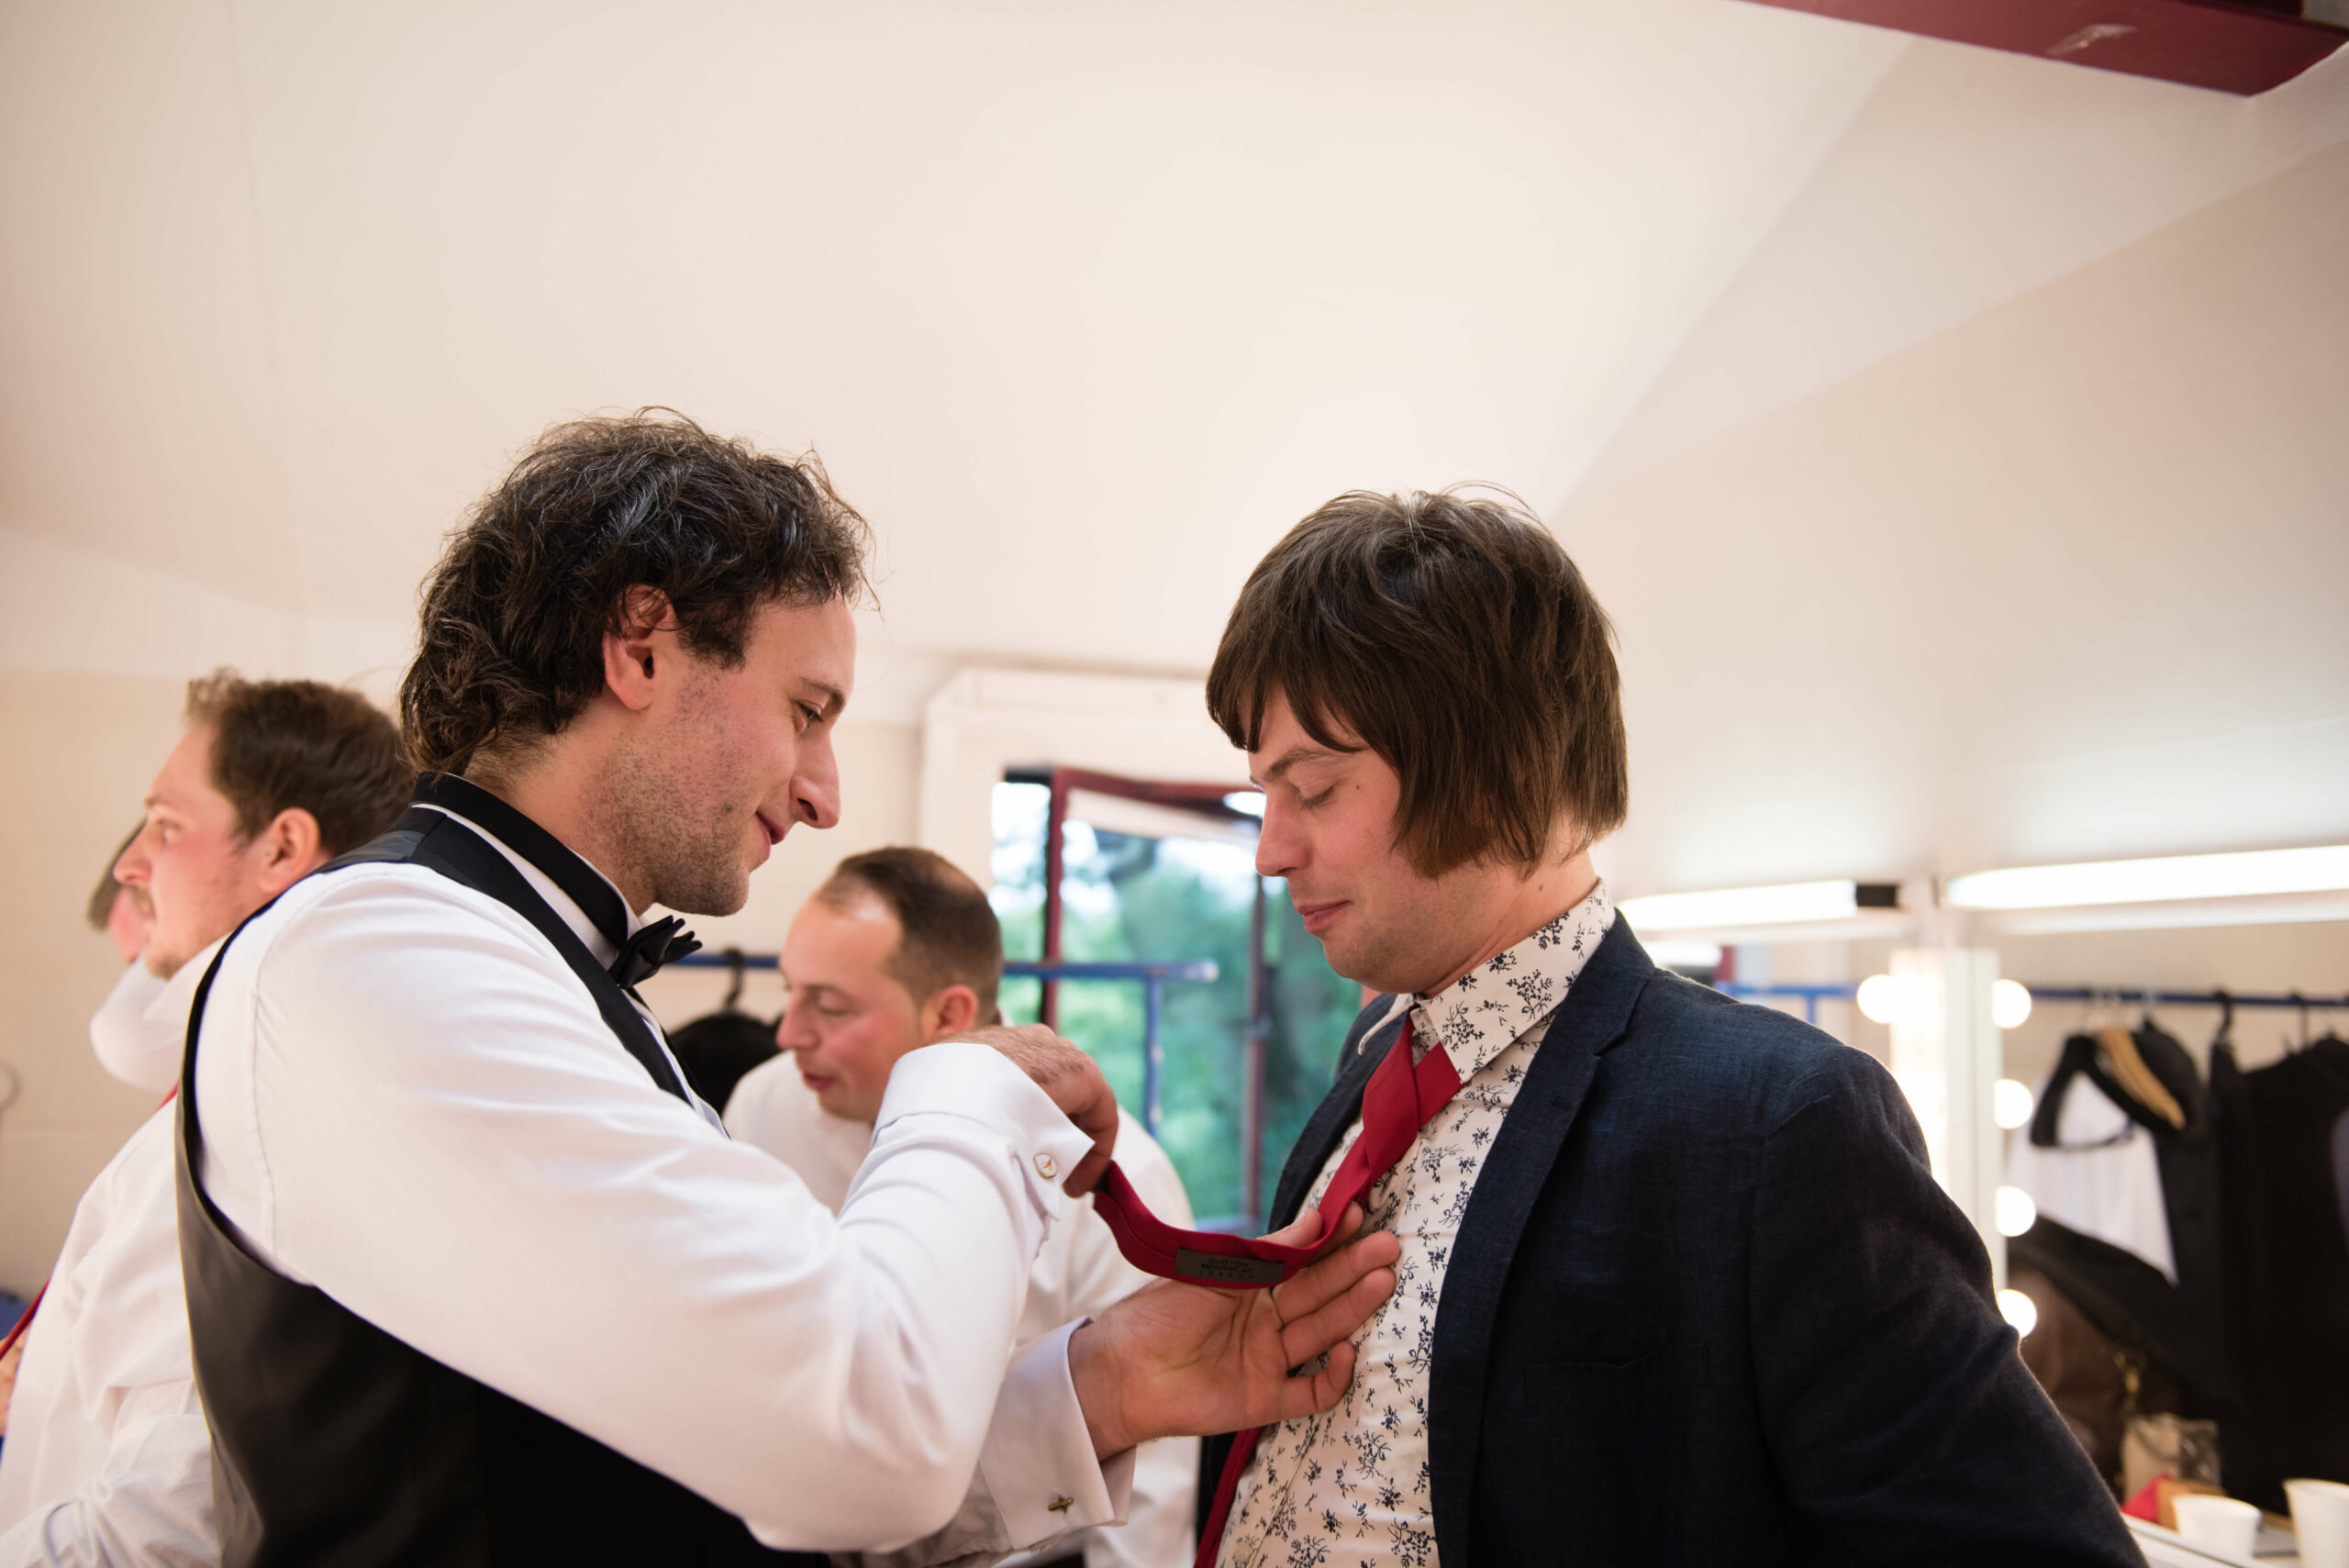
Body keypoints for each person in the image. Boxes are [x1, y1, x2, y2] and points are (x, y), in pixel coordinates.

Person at [174, 412, 1397, 1565]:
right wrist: (954, 1085)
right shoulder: (380, 959)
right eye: (806, 712)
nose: (825, 794)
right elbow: (866, 1434)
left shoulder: (530, 971)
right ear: (642, 643)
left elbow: (732, 1476)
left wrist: (1105, 1385)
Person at [1189, 488, 2142, 1566]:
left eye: (1311, 787)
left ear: (1498, 768)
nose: (1269, 849)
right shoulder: (1380, 1057)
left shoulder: (1778, 1122)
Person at [0, 673, 413, 1565]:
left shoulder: (251, 1120)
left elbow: (167, 1521)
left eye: (165, 823)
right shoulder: (239, 1069)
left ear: (283, 846)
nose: (129, 862)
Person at [726, 847, 1198, 1568]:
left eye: (828, 1005)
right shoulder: (764, 1102)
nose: (788, 1032)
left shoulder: (1116, 1171)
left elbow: (1154, 1478)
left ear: (950, 1013)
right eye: (790, 992)